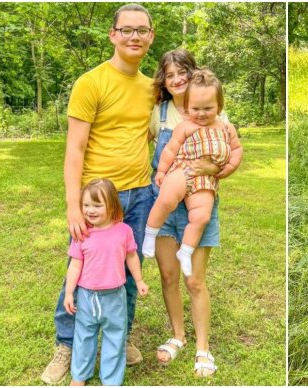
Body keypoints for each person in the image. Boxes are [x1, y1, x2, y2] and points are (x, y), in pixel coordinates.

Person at [41, 3, 156, 384]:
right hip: (98, 199)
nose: (134, 36)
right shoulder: (91, 83)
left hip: (140, 194)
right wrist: (73, 204)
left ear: (151, 37)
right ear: (113, 34)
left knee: (126, 268)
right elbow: (74, 149)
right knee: (83, 267)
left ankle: (119, 337)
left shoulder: (149, 88)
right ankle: (67, 344)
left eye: (142, 30)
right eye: (127, 29)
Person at [146, 50, 238, 376]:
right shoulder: (158, 113)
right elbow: (153, 152)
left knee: (194, 280)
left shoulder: (216, 117)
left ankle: (203, 348)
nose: (177, 80)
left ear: (193, 73)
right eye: (169, 75)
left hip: (198, 207)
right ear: (164, 81)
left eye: (182, 72)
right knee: (168, 276)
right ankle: (178, 336)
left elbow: (230, 156)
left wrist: (216, 168)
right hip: (165, 203)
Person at [142, 69, 243, 278]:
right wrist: (161, 171)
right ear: (187, 109)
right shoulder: (185, 126)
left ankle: (186, 251)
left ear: (219, 107)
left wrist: (230, 167)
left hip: (206, 180)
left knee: (202, 216)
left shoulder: (226, 127)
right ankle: (150, 234)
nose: (202, 113)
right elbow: (170, 150)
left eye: (208, 108)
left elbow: (236, 149)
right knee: (166, 200)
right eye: (195, 108)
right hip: (182, 169)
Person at [64, 179, 149, 386]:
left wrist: (138, 280)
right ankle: (80, 375)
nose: (90, 210)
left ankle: (111, 379)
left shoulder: (123, 231)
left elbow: (131, 257)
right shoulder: (82, 234)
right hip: (87, 295)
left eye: (97, 205)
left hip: (115, 296)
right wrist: (69, 293)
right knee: (84, 336)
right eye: (86, 205)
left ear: (111, 204)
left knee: (115, 337)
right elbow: (75, 265)